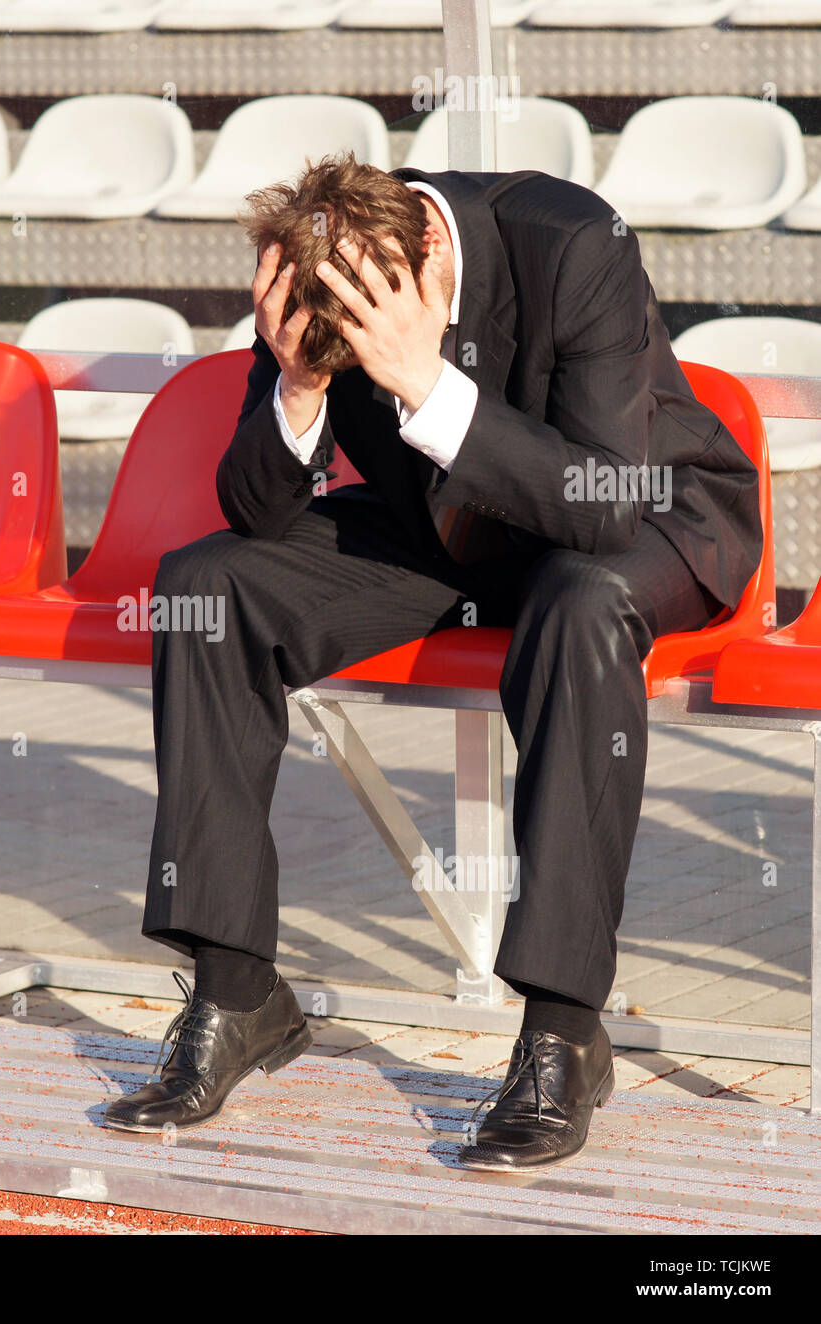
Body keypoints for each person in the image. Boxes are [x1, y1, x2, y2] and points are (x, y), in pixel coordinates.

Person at [101, 153, 762, 1169]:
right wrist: (297, 379)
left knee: (578, 609)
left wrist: (420, 380)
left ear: (424, 256)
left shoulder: (574, 240)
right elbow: (255, 507)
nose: (349, 335)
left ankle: (562, 1028)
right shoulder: (328, 261)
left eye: (358, 328)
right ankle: (235, 992)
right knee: (206, 586)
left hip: (637, 510)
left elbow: (596, 504)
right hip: (447, 526)